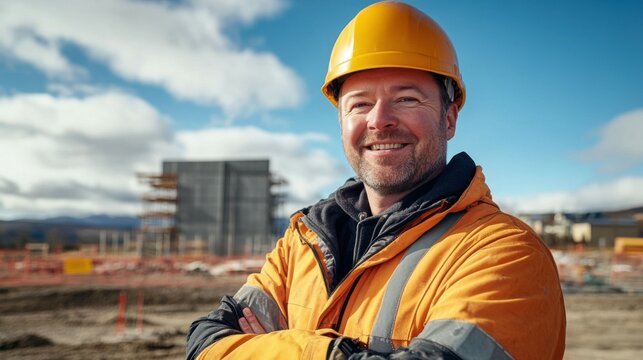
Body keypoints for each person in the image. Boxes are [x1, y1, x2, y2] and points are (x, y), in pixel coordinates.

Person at [187, 2, 566, 359]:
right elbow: (205, 343)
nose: (379, 120)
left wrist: (284, 348)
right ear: (341, 122)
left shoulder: (504, 254)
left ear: (449, 119)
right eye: (360, 103)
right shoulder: (302, 245)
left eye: (406, 99)